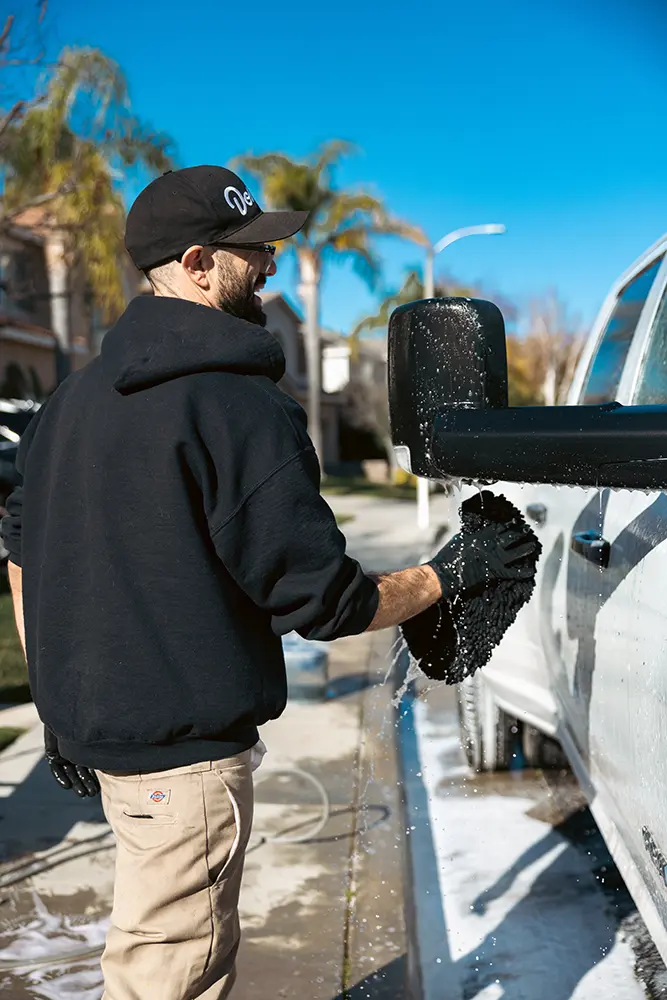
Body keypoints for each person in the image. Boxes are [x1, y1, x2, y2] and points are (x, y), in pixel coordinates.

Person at [0, 165, 536, 1000]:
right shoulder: (239, 406)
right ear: (198, 264)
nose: (273, 265)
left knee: (146, 951)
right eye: (252, 250)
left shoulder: (69, 402)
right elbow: (324, 600)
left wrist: (55, 704)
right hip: (184, 769)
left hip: (99, 747)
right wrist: (447, 574)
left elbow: (21, 552)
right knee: (167, 977)